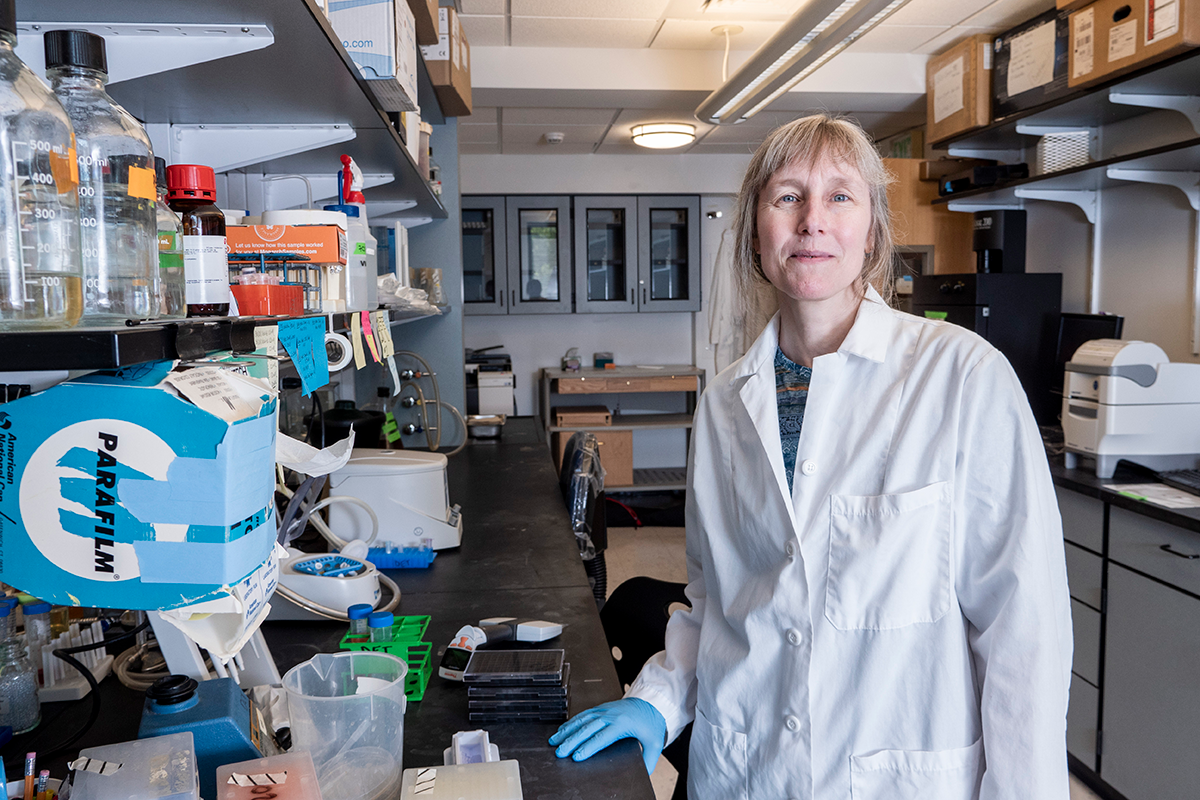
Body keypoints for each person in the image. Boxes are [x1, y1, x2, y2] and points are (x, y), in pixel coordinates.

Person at [549, 114, 1073, 799]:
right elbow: (716, 602)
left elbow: (1022, 633)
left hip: (897, 775)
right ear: (756, 233)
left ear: (874, 233)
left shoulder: (964, 379)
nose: (812, 221)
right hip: (745, 769)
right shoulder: (727, 402)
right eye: (788, 196)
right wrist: (662, 697)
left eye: (840, 196)